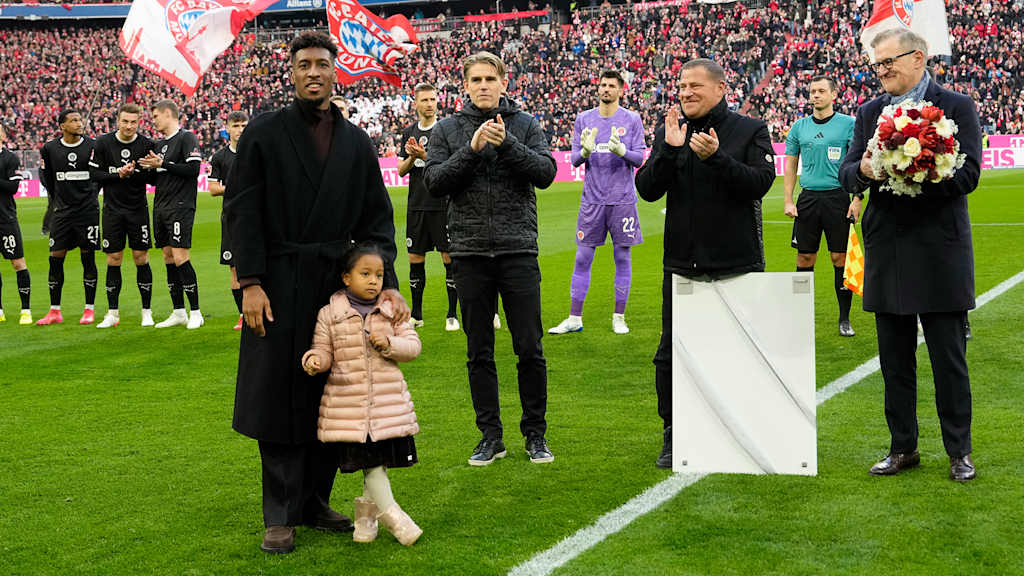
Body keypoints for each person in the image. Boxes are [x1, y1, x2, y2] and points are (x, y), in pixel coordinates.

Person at [225, 31, 409, 554]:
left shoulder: (356, 142)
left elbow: (377, 219)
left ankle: (313, 501)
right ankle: (279, 514)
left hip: (338, 287)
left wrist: (384, 287)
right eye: (303, 64)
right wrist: (251, 283)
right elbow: (242, 212)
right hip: (278, 282)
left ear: (335, 72)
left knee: (335, 394)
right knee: (280, 395)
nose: (312, 72)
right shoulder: (262, 134)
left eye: (321, 65)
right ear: (291, 72)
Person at [839, 29, 981, 482]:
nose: (881, 72)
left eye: (888, 63)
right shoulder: (869, 112)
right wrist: (861, 169)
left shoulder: (957, 107)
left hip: (940, 251)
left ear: (918, 58)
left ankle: (959, 451)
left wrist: (919, 170)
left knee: (948, 360)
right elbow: (848, 172)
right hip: (889, 251)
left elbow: (970, 175)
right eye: (876, 66)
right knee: (894, 361)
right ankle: (903, 448)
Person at [635, 58, 775, 468]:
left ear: (720, 88)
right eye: (681, 86)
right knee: (669, 354)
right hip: (682, 267)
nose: (686, 92)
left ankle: (740, 429)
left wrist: (716, 158)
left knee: (737, 351)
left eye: (695, 85)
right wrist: (668, 150)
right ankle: (673, 432)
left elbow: (758, 184)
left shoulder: (750, 130)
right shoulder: (675, 132)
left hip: (737, 265)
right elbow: (646, 189)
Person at [425, 51, 557, 466]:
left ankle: (535, 434)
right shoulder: (447, 130)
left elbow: (546, 173)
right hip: (469, 252)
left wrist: (508, 144)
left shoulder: (525, 124)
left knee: (529, 348)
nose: (483, 85)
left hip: (518, 248)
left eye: (490, 78)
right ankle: (490, 436)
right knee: (478, 350)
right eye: (476, 79)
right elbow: (434, 182)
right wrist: (472, 148)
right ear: (464, 85)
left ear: (504, 81)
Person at [301, 243, 423, 547]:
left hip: (387, 404)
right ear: (346, 277)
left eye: (379, 275)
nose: (374, 281)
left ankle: (365, 523)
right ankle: (397, 519)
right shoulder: (330, 314)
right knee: (372, 465)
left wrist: (391, 343)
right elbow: (323, 349)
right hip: (351, 407)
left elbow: (413, 346)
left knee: (377, 463)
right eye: (365, 273)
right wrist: (314, 361)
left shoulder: (391, 309)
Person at [549, 69, 645, 336]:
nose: (605, 89)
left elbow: (640, 158)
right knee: (582, 257)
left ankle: (619, 317)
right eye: (602, 85)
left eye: (611, 85)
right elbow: (574, 161)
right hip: (592, 201)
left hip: (622, 200)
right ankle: (574, 318)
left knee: (621, 256)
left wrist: (622, 150)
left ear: (620, 90)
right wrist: (585, 150)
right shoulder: (584, 119)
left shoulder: (632, 119)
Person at [783, 76, 860, 338]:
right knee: (805, 257)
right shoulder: (799, 127)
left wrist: (857, 197)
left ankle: (845, 319)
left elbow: (858, 163)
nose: (815, 95)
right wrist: (788, 200)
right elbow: (791, 164)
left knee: (840, 259)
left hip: (838, 198)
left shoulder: (848, 125)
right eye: (812, 91)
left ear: (833, 94)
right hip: (808, 199)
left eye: (821, 91)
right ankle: (799, 318)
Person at [397, 82, 459, 331]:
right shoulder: (409, 131)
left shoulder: (445, 130)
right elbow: (401, 171)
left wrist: (424, 156)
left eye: (433, 99)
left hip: (442, 204)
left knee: (448, 259)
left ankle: (452, 314)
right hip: (417, 206)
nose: (430, 104)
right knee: (415, 259)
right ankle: (417, 315)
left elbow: (452, 166)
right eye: (425, 100)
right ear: (416, 104)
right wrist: (412, 156)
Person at [88, 103, 156, 328]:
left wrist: (145, 170)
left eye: (133, 122)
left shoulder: (147, 144)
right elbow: (94, 174)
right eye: (125, 121)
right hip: (112, 211)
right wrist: (118, 173)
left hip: (138, 210)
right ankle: (112, 313)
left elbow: (155, 179)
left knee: (141, 258)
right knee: (113, 259)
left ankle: (147, 312)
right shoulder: (103, 143)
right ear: (117, 120)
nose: (129, 126)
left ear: (139, 122)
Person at [138, 99, 204, 329]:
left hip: (181, 205)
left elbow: (193, 169)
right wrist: (144, 169)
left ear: (168, 114)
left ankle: (195, 311)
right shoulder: (158, 145)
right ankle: (178, 312)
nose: (153, 120)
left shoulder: (187, 138)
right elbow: (157, 177)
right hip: (161, 206)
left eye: (155, 116)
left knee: (180, 257)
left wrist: (163, 163)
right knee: (167, 258)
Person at [36, 110, 100, 326]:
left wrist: (89, 195)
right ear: (62, 126)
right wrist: (59, 199)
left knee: (87, 258)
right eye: (73, 120)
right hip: (62, 213)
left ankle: (89, 309)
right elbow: (46, 177)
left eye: (80, 120)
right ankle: (54, 311)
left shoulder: (92, 146)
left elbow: (97, 177)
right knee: (55, 259)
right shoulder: (50, 148)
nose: (79, 123)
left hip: (87, 212)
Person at [208, 110, 249, 330]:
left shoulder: (256, 154)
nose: (240, 131)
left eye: (244, 126)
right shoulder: (220, 157)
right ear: (228, 129)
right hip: (231, 219)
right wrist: (237, 189)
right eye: (236, 126)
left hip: (256, 219)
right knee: (234, 270)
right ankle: (243, 314)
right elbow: (213, 189)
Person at [0, 123, 32, 325]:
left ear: (2, 134)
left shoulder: (10, 158)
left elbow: (12, 187)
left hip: (5, 219)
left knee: (18, 263)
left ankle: (25, 310)